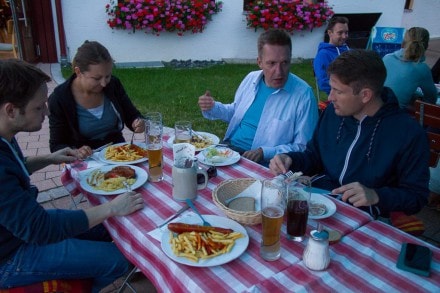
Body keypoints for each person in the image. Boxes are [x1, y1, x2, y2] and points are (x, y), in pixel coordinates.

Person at [0, 59, 144, 291]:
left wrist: (48, 158)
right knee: (120, 258)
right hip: (11, 256)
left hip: (22, 232)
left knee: (106, 227)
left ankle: (80, 273)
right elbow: (40, 229)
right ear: (10, 110)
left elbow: (15, 168)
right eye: (39, 107)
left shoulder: (5, 134)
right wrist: (111, 207)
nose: (46, 112)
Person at [270, 50, 430, 218]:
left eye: (338, 91)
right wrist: (291, 159)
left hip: (367, 218)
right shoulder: (333, 113)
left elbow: (416, 196)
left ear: (365, 95)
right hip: (319, 204)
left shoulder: (407, 133)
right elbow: (314, 156)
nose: (330, 97)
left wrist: (376, 195)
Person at [198, 29, 319, 165]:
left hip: (266, 164)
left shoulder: (303, 95)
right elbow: (236, 112)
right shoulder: (251, 79)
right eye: (271, 63)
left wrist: (264, 152)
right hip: (229, 151)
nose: (279, 71)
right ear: (259, 62)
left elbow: (303, 147)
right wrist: (213, 107)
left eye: (284, 63)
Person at [49, 40, 145, 159]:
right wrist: (76, 151)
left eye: (108, 76)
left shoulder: (113, 84)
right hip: (84, 160)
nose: (104, 83)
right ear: (78, 72)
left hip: (118, 154)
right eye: (97, 78)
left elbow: (131, 114)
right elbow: (56, 145)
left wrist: (138, 122)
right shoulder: (60, 98)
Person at [383, 27, 437, 110]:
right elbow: (431, 99)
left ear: (403, 42)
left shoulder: (387, 58)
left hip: (376, 110)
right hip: (395, 115)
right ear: (426, 46)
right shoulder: (422, 69)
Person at [313, 16, 350, 95]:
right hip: (338, 96)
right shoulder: (323, 55)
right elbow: (323, 82)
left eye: (346, 32)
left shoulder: (349, 50)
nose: (344, 36)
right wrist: (344, 91)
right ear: (330, 33)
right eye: (340, 33)